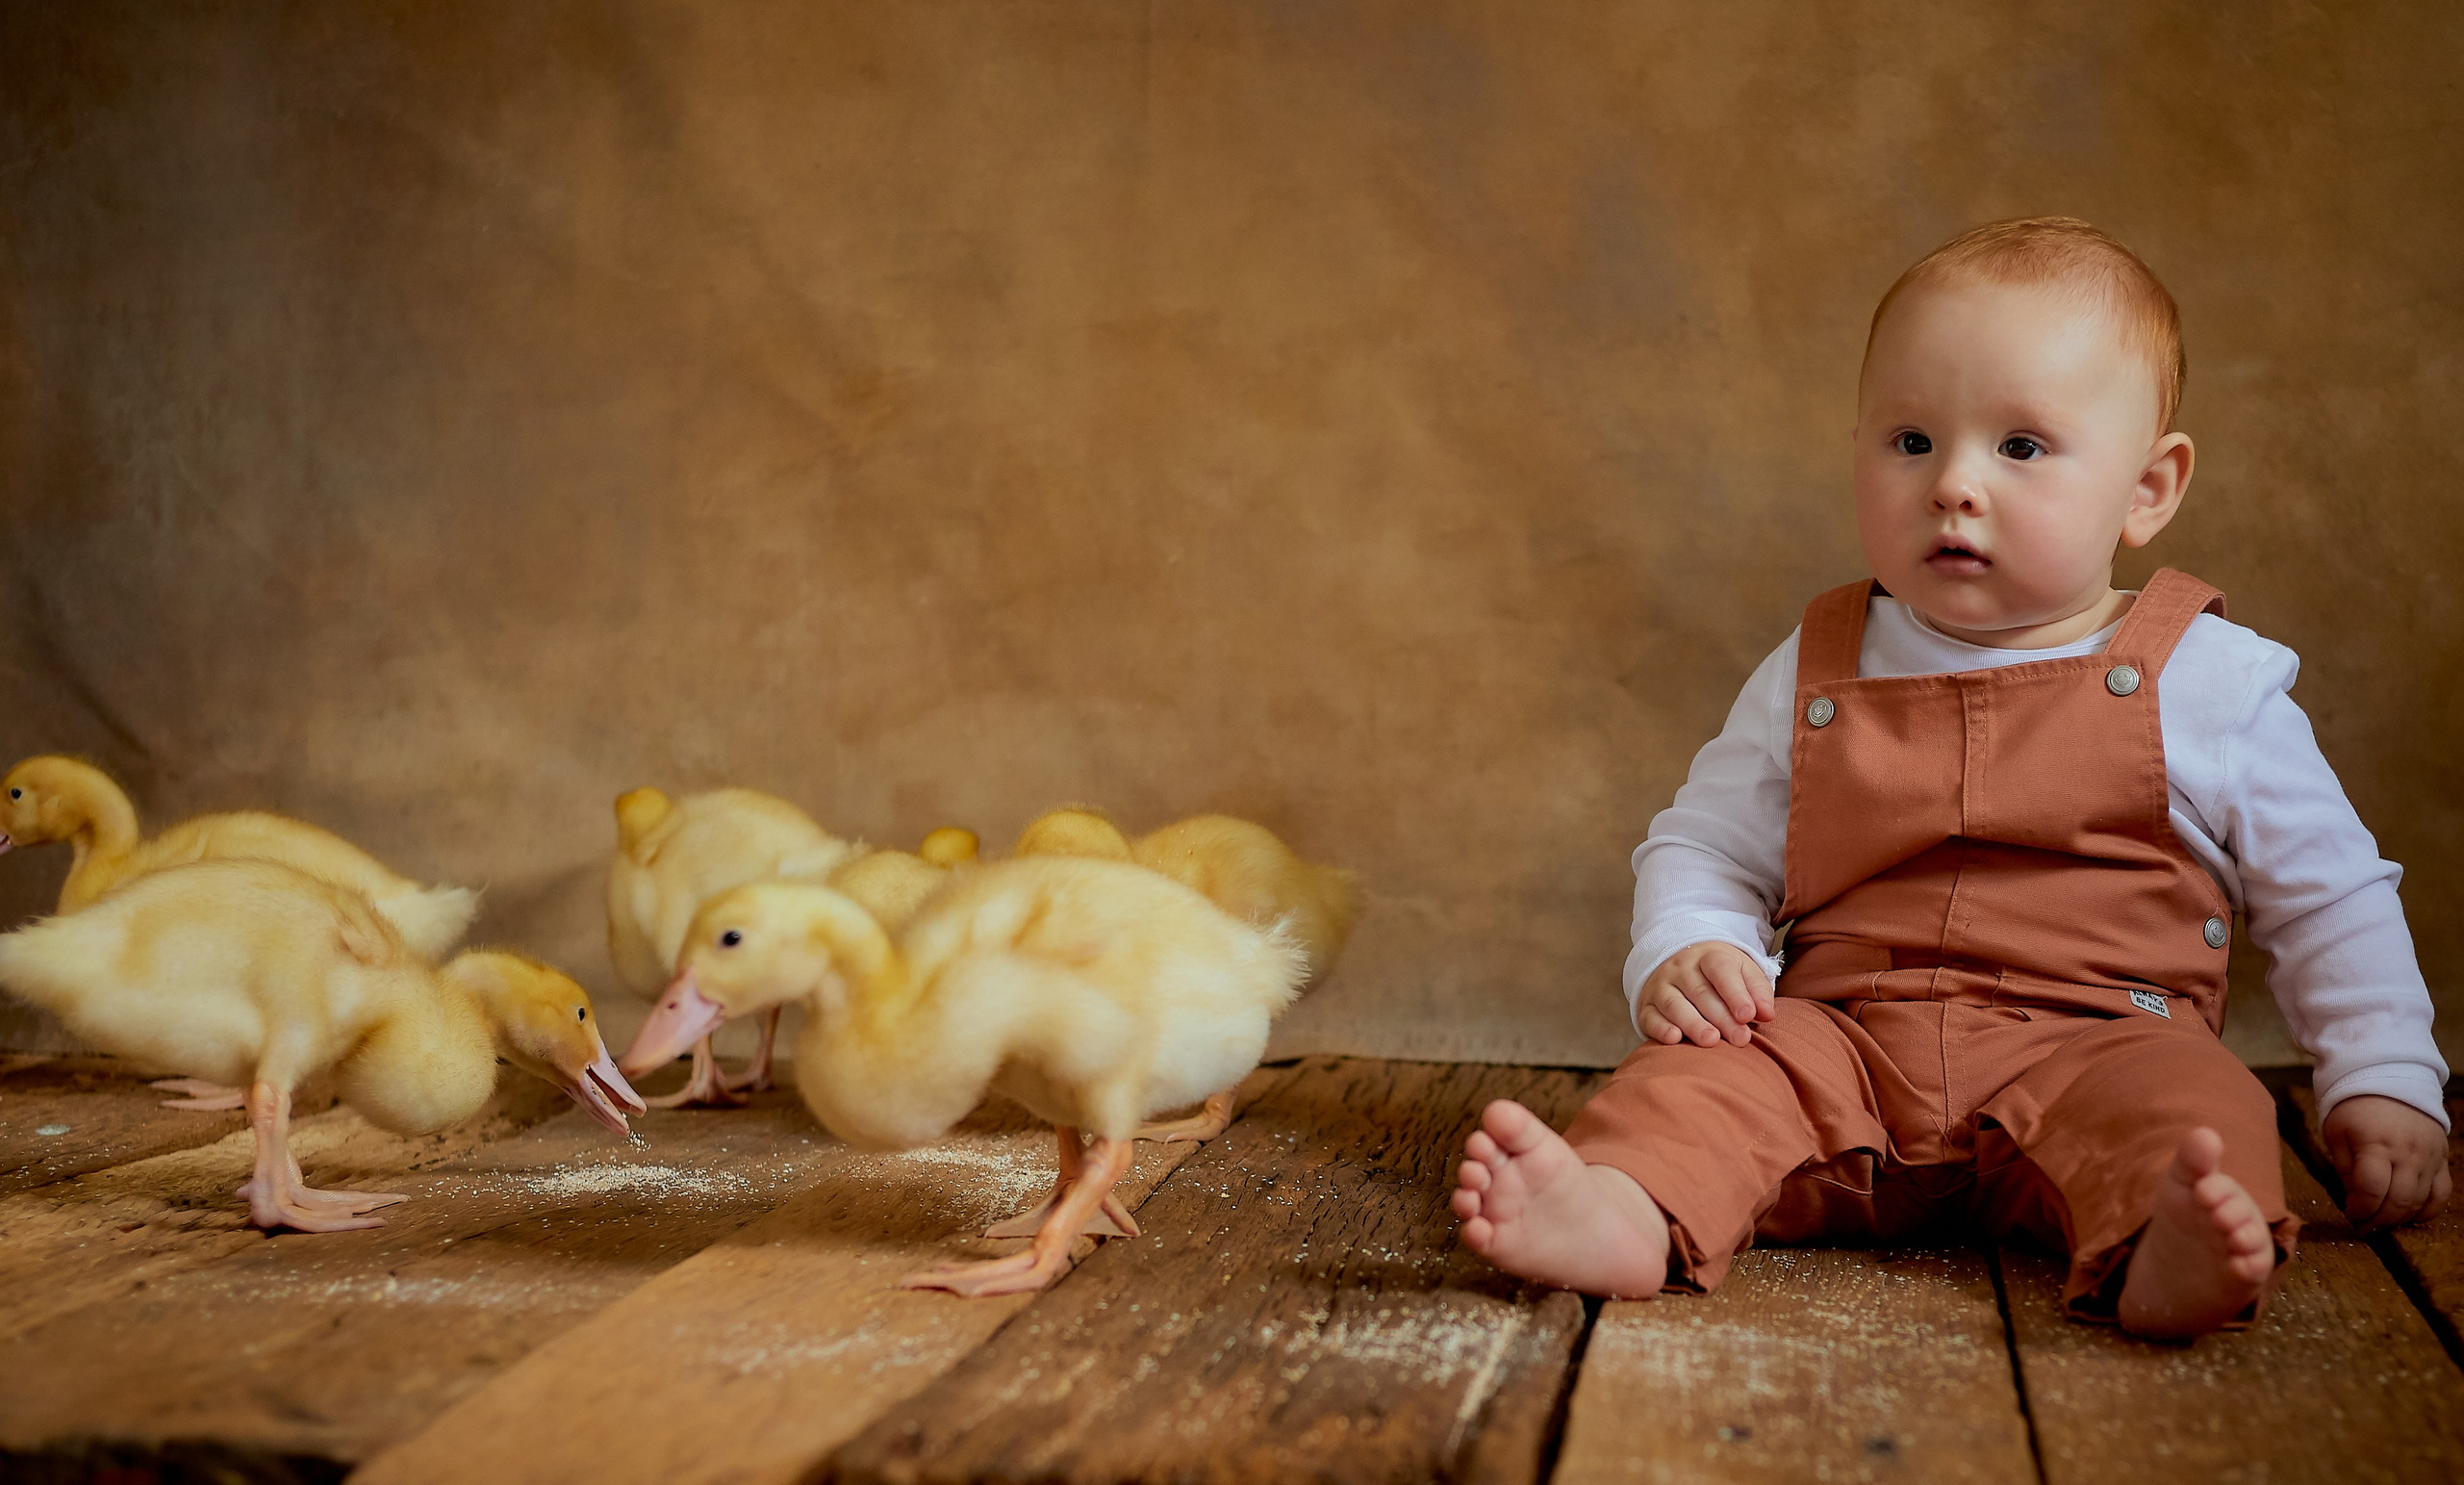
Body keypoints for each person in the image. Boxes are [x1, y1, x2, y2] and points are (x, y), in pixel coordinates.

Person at [1452, 218, 2451, 1338]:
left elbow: (2331, 894)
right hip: (1843, 1047)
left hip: (2096, 1039)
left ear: (2147, 487)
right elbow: (1705, 842)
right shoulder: (1818, 659)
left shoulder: (2210, 681)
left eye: (2019, 447)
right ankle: (1622, 1209)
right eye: (1910, 441)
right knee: (1700, 1078)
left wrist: (2380, 1076)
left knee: (2198, 1108)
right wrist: (1692, 945)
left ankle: (2160, 1248)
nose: (1953, 485)